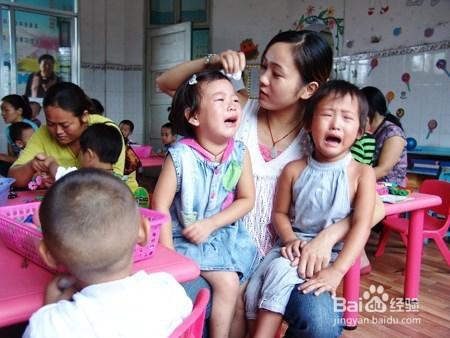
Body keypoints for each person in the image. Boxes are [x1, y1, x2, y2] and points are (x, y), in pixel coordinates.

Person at [157, 30, 385, 337]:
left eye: (276, 73)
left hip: (286, 259)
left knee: (322, 323)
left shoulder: (318, 135)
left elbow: (375, 208)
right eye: (263, 67)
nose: (262, 79)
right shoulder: (236, 110)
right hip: (221, 253)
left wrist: (327, 237)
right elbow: (166, 84)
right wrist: (211, 60)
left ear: (308, 88)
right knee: (182, 304)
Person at [246, 80, 375, 337]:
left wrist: (337, 272)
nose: (335, 124)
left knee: (320, 324)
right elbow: (280, 214)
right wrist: (290, 238)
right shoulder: (294, 170)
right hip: (292, 251)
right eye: (326, 114)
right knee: (254, 291)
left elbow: (362, 224)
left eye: (347, 118)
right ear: (308, 123)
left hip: (328, 262)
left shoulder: (362, 174)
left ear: (361, 130)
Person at [23, 169, 192, 338]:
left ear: (48, 255)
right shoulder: (169, 289)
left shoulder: (48, 327)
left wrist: (50, 309)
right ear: (144, 231)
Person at [152, 70, 257, 338]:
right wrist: (168, 254)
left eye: (234, 99)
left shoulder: (240, 153)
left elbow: (247, 200)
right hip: (188, 239)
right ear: (194, 116)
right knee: (228, 282)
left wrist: (213, 223)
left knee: (240, 301)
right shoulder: (180, 156)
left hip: (227, 237)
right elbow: (159, 204)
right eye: (220, 100)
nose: (232, 104)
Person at [8, 82, 138, 192]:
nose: (58, 131)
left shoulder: (105, 131)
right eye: (51, 124)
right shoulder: (43, 134)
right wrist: (32, 166)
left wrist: (58, 180)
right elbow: (13, 179)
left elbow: (108, 185)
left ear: (84, 116)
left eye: (65, 125)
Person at [362, 86, 407, 186]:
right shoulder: (367, 129)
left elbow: (383, 169)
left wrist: (355, 179)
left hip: (389, 190)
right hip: (368, 184)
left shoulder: (393, 133)